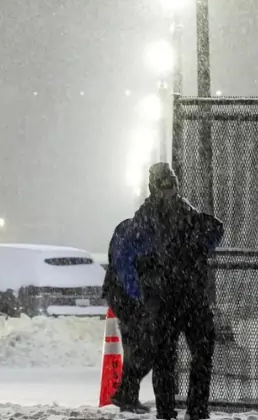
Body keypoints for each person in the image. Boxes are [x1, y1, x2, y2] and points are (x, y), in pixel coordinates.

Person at [114, 162, 223, 420]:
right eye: (165, 186)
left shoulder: (170, 214)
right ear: (155, 187)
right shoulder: (161, 216)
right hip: (175, 298)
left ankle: (182, 409)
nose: (169, 191)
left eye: (171, 185)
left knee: (182, 354)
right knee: (175, 356)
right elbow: (212, 231)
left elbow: (213, 231)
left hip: (173, 298)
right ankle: (181, 409)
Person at [102, 215, 153, 412]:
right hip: (126, 297)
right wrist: (138, 298)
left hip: (121, 294)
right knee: (143, 345)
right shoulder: (140, 233)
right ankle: (127, 393)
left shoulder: (130, 228)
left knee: (137, 345)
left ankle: (127, 394)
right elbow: (125, 268)